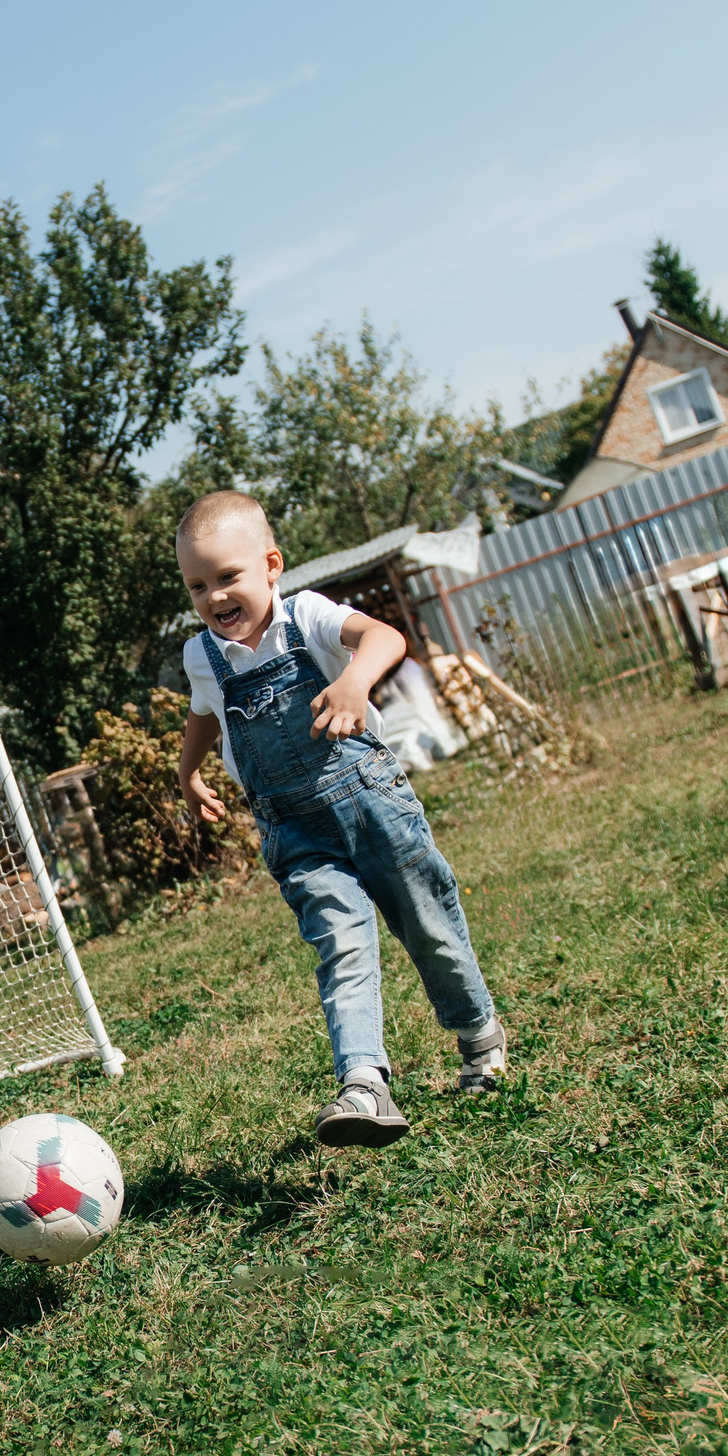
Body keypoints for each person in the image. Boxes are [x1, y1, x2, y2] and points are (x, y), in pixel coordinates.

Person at [171, 490, 508, 1148]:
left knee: (429, 927)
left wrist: (355, 681)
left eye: (228, 576)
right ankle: (364, 1082)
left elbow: (385, 637)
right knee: (341, 945)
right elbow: (204, 713)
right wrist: (188, 770)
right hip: (294, 832)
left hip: (372, 804)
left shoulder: (305, 615)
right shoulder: (202, 655)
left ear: (272, 564)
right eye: (198, 585)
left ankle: (479, 1035)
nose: (215, 596)